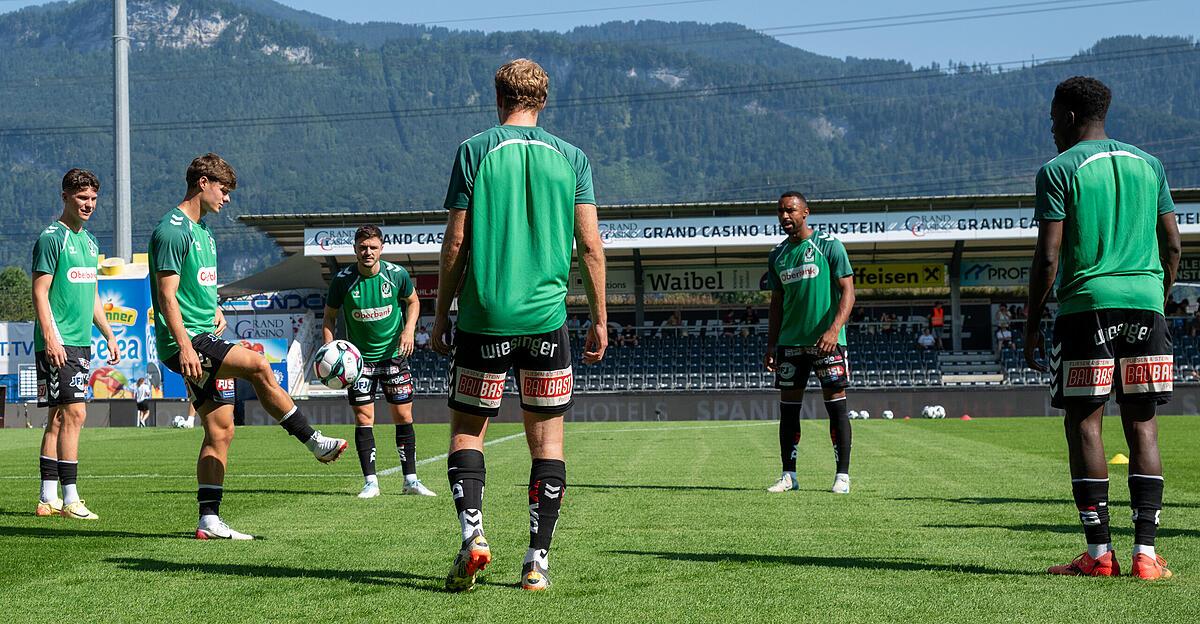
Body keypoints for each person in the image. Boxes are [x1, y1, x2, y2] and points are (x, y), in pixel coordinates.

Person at [433, 58, 607, 592]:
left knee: (467, 432)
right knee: (548, 444)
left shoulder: (475, 150)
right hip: (547, 321)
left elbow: (457, 243)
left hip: (484, 318)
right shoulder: (572, 158)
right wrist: (600, 318)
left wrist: (440, 313)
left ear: (497, 97)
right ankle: (536, 561)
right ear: (544, 101)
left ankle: (473, 537)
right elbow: (591, 247)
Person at [1024, 77, 1180, 580]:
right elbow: (1173, 246)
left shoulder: (1058, 169)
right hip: (1146, 306)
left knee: (1086, 423)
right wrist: (1157, 295)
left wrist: (1031, 321)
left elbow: (1048, 256)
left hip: (1087, 308)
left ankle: (1098, 554)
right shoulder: (1150, 164)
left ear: (1069, 116)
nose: (1050, 128)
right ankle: (1148, 556)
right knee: (1143, 424)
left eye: (1052, 118)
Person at [149, 153, 347, 540]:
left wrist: (215, 307)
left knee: (221, 431)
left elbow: (194, 290)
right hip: (188, 343)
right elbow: (167, 298)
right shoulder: (172, 230)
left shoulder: (203, 232)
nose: (227, 199)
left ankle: (208, 520)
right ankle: (314, 441)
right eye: (224, 190)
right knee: (258, 365)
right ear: (203, 182)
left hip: (203, 335)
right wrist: (187, 346)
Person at [322, 225, 435, 499]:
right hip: (359, 363)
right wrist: (330, 348)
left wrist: (409, 330)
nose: (367, 252)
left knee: (404, 416)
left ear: (381, 248)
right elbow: (329, 317)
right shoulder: (342, 280)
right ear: (355, 249)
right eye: (363, 247)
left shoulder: (397, 275)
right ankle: (370, 482)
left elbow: (413, 302)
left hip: (394, 356)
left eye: (373, 247)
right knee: (364, 419)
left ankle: (411, 480)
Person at [32, 168, 120, 520]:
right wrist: (51, 336)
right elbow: (39, 292)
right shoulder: (52, 238)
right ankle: (71, 499)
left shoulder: (91, 242)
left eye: (94, 199)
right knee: (75, 413)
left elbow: (92, 294)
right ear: (65, 196)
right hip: (59, 342)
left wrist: (108, 332)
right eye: (82, 198)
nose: (89, 205)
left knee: (57, 417)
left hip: (80, 342)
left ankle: (47, 498)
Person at [763, 191, 856, 495]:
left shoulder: (829, 246)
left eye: (790, 211)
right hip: (790, 344)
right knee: (788, 410)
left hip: (827, 343)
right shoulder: (776, 255)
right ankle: (789, 475)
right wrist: (771, 344)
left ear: (805, 213)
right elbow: (776, 304)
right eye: (780, 212)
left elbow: (848, 293)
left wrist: (833, 330)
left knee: (836, 408)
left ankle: (842, 475)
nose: (784, 217)